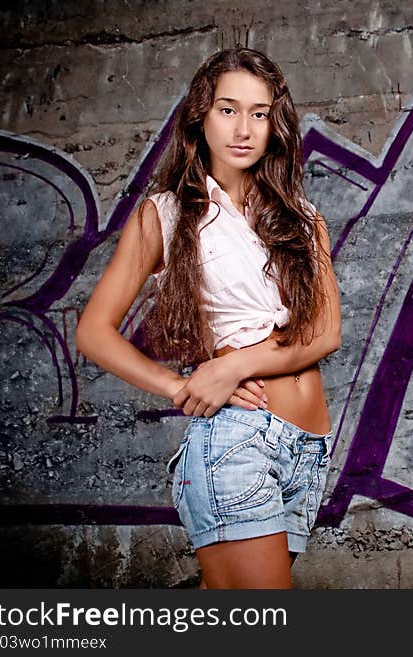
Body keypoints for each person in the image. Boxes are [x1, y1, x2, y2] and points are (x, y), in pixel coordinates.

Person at [76, 47, 341, 589]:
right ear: (201, 115)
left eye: (259, 113)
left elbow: (326, 334)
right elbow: (94, 332)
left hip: (309, 448)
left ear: (275, 125)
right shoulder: (167, 214)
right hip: (236, 441)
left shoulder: (304, 220)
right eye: (227, 109)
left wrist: (230, 366)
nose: (243, 128)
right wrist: (182, 385)